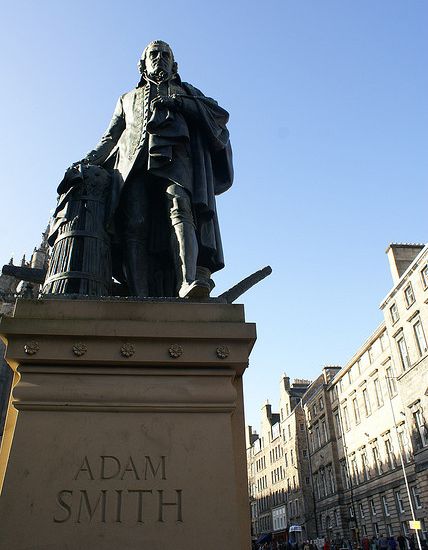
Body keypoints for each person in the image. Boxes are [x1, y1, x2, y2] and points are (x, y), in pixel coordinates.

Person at [75, 40, 233, 298]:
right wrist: (87, 160)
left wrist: (180, 103)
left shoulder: (186, 91)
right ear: (142, 64)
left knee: (180, 208)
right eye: (154, 54)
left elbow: (217, 115)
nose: (160, 58)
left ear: (174, 65)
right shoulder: (127, 99)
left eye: (165, 55)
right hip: (133, 166)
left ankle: (187, 281)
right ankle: (139, 294)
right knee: (134, 223)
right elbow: (110, 137)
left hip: (176, 160)